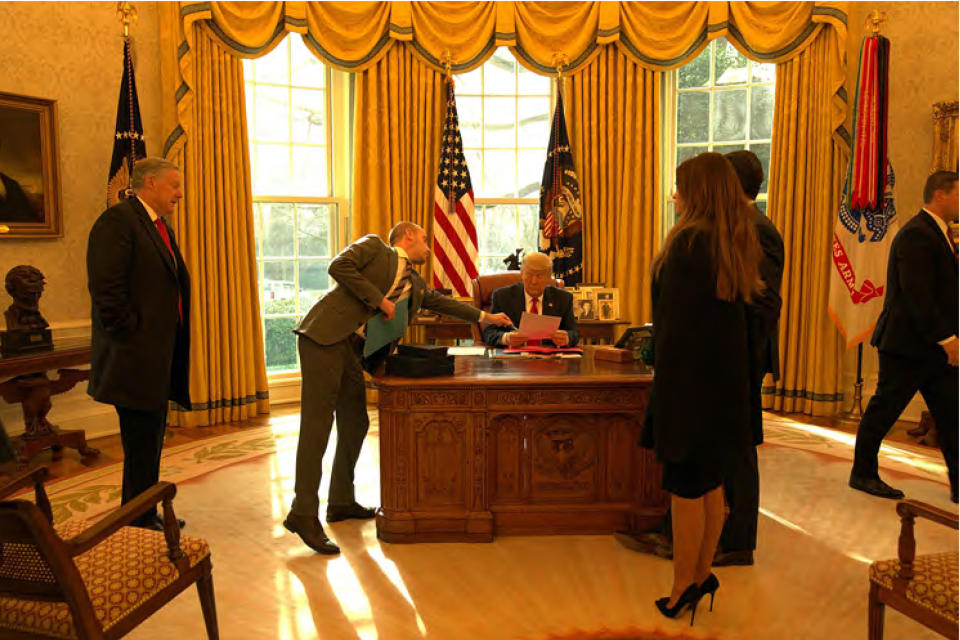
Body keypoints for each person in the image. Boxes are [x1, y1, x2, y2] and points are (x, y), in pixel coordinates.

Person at [285, 221, 512, 555]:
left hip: (351, 350)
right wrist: (381, 301)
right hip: (323, 337)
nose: (428, 248)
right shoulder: (375, 248)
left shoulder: (416, 285)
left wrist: (486, 318)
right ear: (407, 237)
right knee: (317, 428)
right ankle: (303, 512)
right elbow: (338, 266)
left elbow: (443, 304)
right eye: (424, 240)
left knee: (356, 421)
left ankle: (340, 500)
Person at [617, 150, 783, 568]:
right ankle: (690, 545)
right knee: (710, 466)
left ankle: (737, 539)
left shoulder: (749, 232)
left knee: (730, 456)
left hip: (728, 363)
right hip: (719, 361)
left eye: (679, 188)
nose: (673, 196)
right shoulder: (715, 235)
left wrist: (731, 358)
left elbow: (760, 303)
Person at [641, 152, 761, 622]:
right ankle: (701, 574)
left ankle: (680, 588)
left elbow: (675, 333)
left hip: (688, 388)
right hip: (723, 387)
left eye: (678, 186)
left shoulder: (688, 243)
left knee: (686, 491)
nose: (674, 194)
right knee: (712, 487)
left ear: (697, 192)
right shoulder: (732, 240)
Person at [86, 157, 191, 531]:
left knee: (149, 442)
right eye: (174, 185)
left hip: (157, 357)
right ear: (149, 183)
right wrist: (134, 335)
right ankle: (138, 518)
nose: (180, 193)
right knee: (140, 444)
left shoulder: (159, 226)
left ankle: (140, 511)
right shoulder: (118, 222)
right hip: (133, 358)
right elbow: (106, 290)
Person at [850, 170, 959, 502]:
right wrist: (947, 339)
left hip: (932, 348)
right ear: (940, 194)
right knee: (884, 410)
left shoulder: (940, 234)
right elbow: (917, 294)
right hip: (907, 346)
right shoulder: (917, 234)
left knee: (952, 414)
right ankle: (862, 473)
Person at [482, 252, 579, 348]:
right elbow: (489, 333)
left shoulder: (563, 298)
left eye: (539, 276)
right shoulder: (503, 297)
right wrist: (506, 338)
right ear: (522, 274)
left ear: (549, 277)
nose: (534, 281)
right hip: (515, 359)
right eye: (529, 275)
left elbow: (574, 333)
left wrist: (566, 338)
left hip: (550, 358)